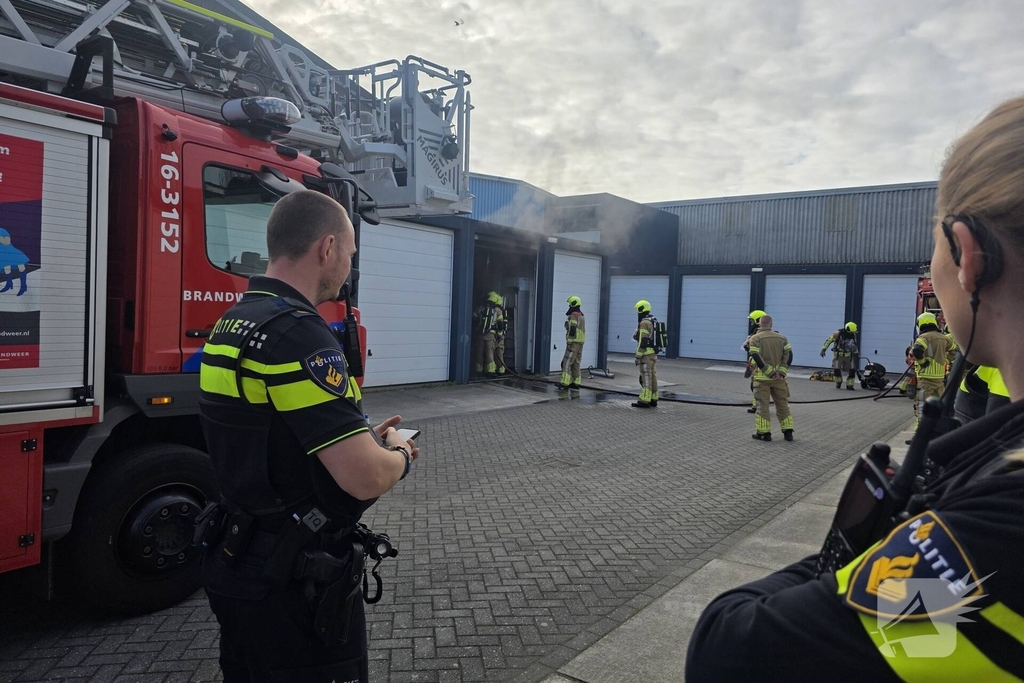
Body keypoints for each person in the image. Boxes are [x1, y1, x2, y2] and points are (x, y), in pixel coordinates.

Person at [686, 95, 1024, 682]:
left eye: (934, 250)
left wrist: (885, 539)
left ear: (970, 258)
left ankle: (775, 429)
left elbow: (731, 650)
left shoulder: (998, 527)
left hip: (799, 389)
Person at [198, 190, 420, 682]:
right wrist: (399, 453)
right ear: (327, 249)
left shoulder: (234, 322)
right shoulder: (297, 334)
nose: (349, 268)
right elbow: (364, 477)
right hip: (290, 582)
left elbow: (268, 433)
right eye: (350, 253)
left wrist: (358, 436)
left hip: (236, 560)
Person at [747, 314, 794, 441]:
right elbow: (789, 355)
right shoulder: (782, 338)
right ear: (771, 324)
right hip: (780, 380)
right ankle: (788, 431)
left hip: (762, 380)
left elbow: (756, 356)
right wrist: (781, 371)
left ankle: (764, 433)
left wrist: (769, 372)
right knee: (783, 405)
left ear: (760, 324)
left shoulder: (755, 339)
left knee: (763, 406)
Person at [912, 311, 957, 427]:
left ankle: (920, 431)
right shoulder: (943, 338)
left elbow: (916, 350)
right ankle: (936, 428)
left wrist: (922, 362)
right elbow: (954, 349)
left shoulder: (924, 337)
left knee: (922, 404)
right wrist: (946, 361)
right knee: (938, 405)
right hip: (939, 379)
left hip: (925, 379)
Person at [472, 291, 506, 377]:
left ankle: (478, 369)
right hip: (491, 335)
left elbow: (473, 318)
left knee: (479, 352)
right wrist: (499, 335)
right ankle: (490, 370)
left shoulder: (480, 308)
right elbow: (500, 324)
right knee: (489, 352)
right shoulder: (497, 311)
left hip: (480, 334)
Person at [632, 299, 658, 408]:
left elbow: (642, 341)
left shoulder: (644, 323)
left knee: (646, 377)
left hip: (645, 354)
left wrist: (638, 356)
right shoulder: (653, 320)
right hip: (653, 353)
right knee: (652, 376)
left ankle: (645, 400)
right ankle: (653, 398)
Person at [820, 322, 859, 390]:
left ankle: (850, 385)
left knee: (852, 370)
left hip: (849, 355)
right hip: (838, 355)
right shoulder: (837, 334)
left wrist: (856, 352)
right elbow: (829, 341)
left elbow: (854, 345)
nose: (851, 334)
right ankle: (838, 382)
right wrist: (823, 349)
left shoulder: (853, 335)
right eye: (851, 332)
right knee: (836, 369)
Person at [559, 295, 586, 388]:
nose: (569, 306)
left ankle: (564, 382)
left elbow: (573, 330)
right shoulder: (581, 315)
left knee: (567, 362)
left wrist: (569, 342)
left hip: (573, 343)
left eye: (570, 304)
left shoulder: (573, 315)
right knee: (576, 363)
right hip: (580, 343)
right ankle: (576, 382)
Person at [744, 310, 767, 413]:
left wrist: (747, 346)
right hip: (756, 361)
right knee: (755, 386)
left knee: (756, 386)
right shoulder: (762, 331)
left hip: (757, 363)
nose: (751, 323)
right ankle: (756, 406)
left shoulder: (757, 333)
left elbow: (753, 347)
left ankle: (758, 406)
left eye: (752, 320)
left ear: (758, 320)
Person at [0, 227, 29, 296]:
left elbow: (7, 242)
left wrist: (1, 239)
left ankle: (23, 286)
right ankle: (9, 284)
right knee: (6, 267)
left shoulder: (2, 231)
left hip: (10, 251)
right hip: (3, 253)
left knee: (20, 266)